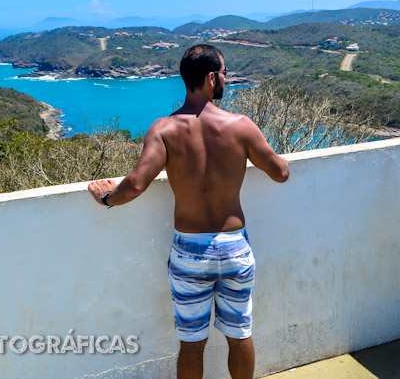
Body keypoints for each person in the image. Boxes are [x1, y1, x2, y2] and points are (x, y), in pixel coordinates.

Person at [88, 44, 289, 379]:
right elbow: (280, 173)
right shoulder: (241, 126)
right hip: (235, 247)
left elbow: (135, 185)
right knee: (239, 335)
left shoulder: (164, 130)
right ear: (211, 78)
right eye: (224, 73)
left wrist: (106, 198)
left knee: (192, 345)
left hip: (189, 252)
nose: (226, 78)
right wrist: (276, 156)